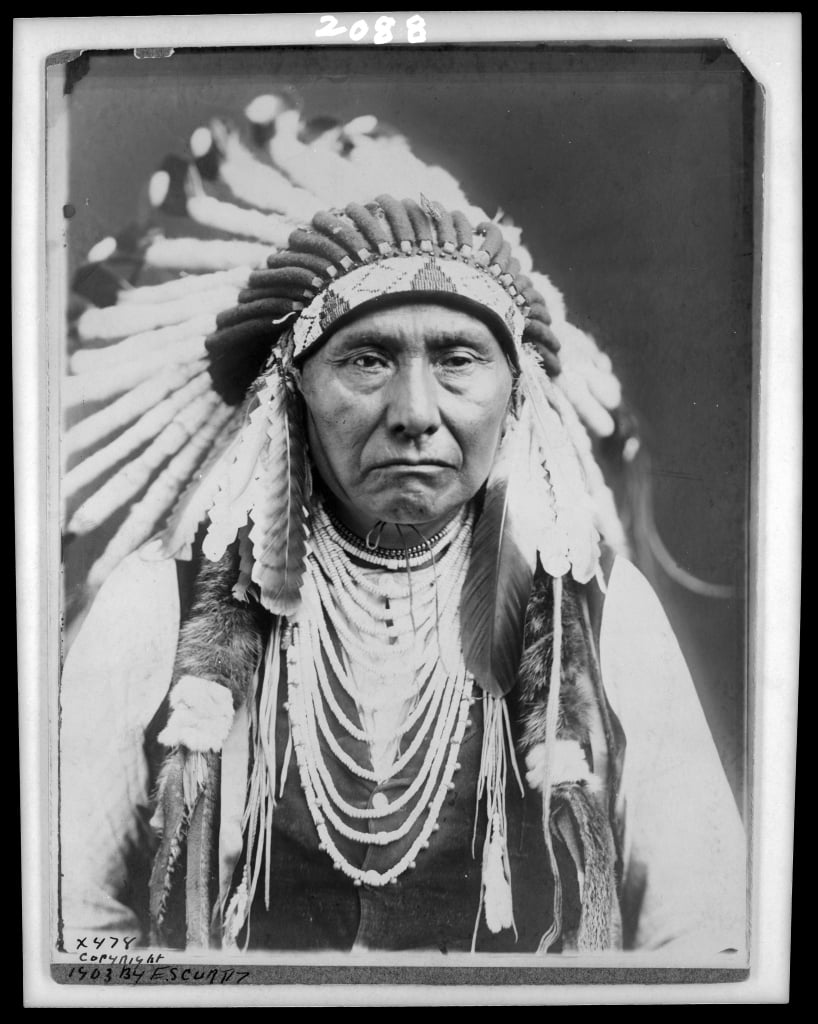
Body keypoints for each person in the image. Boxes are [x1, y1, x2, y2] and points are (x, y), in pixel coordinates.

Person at [59, 101, 746, 957]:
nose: (415, 413)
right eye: (366, 359)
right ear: (291, 393)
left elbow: (702, 939)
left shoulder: (603, 619)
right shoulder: (151, 613)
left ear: (515, 393)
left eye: (458, 359)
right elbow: (69, 942)